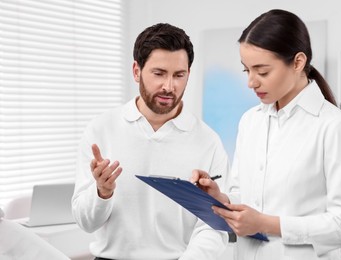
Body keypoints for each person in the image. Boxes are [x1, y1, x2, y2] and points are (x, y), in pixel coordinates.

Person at [191, 9, 341, 260]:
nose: (251, 82)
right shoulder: (251, 121)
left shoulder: (336, 127)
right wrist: (221, 197)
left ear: (298, 62)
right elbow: (246, 195)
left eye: (262, 72)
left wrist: (267, 224)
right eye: (246, 71)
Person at [72, 23, 230, 260]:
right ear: (137, 71)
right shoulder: (101, 129)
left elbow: (215, 225)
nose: (169, 86)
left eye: (179, 75)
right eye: (159, 73)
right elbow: (85, 222)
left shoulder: (208, 141)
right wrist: (102, 193)